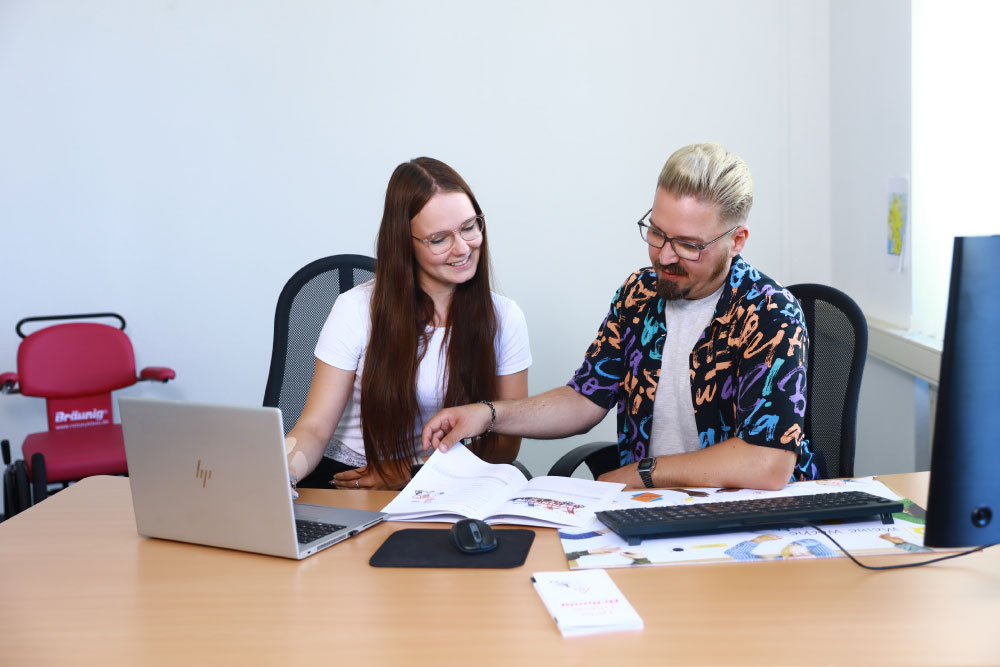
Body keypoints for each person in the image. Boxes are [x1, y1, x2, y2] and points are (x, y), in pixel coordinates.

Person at [423, 143, 817, 490]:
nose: (664, 256)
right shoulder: (639, 294)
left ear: (737, 240)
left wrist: (643, 473)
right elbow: (584, 399)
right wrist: (487, 414)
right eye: (657, 233)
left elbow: (768, 463)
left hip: (745, 520)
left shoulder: (769, 313)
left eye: (688, 245)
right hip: (647, 510)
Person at [285, 157, 531, 490]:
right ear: (405, 243)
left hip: (447, 482)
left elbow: (506, 443)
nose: (463, 248)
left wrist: (408, 475)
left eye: (469, 227)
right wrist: (280, 476)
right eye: (439, 239)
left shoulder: (504, 317)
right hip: (352, 480)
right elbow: (313, 428)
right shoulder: (355, 310)